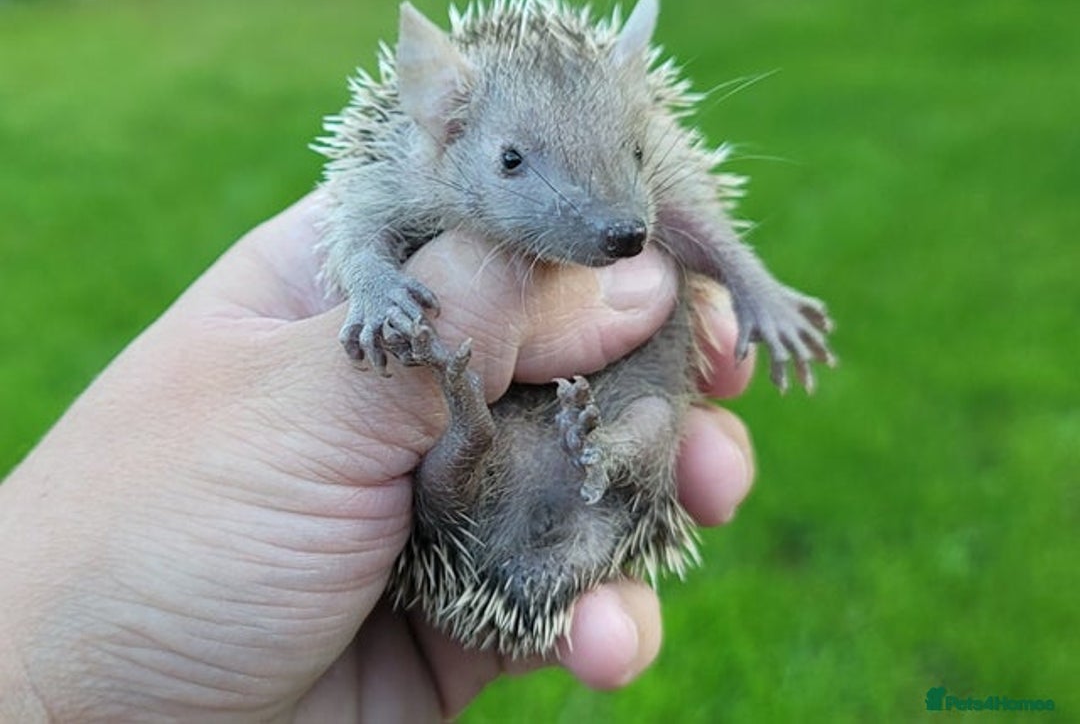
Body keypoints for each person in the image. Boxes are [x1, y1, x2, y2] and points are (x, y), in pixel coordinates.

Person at [0, 194, 756, 721]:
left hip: (575, 498)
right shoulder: (404, 186)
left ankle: (580, 445)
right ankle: (525, 436)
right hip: (493, 511)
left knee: (653, 425)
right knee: (639, 433)